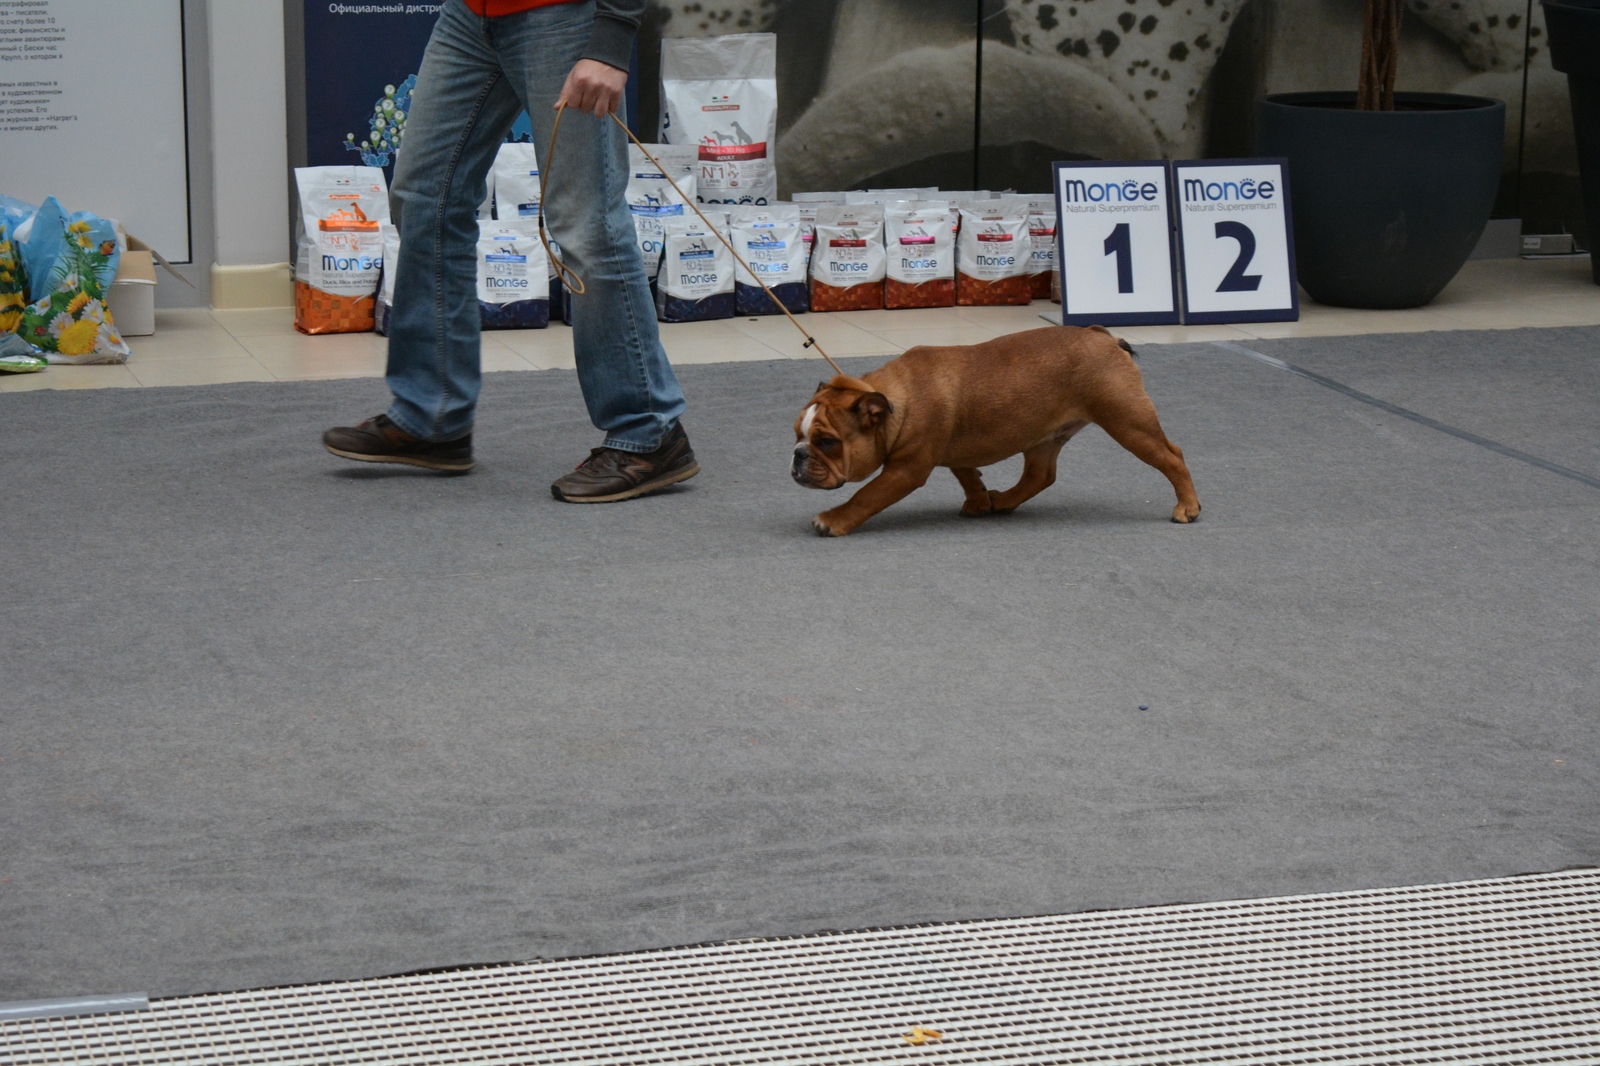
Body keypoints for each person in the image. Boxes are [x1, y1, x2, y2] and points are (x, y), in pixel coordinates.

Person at [322, 0, 698, 504]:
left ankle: (647, 431)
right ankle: (432, 417)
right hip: (469, 17)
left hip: (566, 16)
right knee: (424, 199)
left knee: (587, 226)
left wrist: (610, 40)